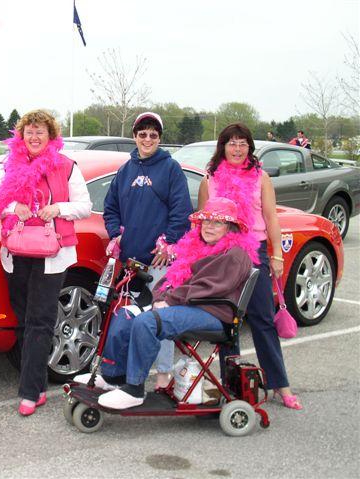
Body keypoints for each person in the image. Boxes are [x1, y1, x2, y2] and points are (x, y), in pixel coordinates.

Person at [92, 197, 258, 409]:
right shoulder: (197, 247)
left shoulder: (235, 255)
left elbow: (210, 288)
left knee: (148, 323)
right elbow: (170, 279)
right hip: (189, 305)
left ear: (231, 227)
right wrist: (161, 298)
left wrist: (169, 301)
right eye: (206, 221)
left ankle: (134, 389)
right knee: (125, 315)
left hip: (213, 312)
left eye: (217, 222)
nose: (209, 226)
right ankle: (114, 378)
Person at [0, 110, 92, 416]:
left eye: (40, 132)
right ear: (22, 137)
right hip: (15, 252)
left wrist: (58, 208)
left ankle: (30, 391)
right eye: (29, 132)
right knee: (23, 318)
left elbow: (85, 207)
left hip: (53, 255)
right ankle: (37, 384)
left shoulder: (66, 166)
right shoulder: (11, 165)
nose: (34, 138)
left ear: (51, 137)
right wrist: (13, 207)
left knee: (40, 321)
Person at [198, 123, 303, 410]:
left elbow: (271, 218)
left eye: (243, 143)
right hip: (222, 253)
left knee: (263, 319)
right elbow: (201, 222)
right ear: (223, 147)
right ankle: (231, 384)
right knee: (227, 319)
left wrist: (277, 256)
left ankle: (280, 383)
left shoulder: (261, 178)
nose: (237, 148)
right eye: (232, 143)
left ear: (250, 148)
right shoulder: (211, 179)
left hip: (255, 251)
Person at [102, 112, 193, 389]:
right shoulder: (125, 170)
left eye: (153, 134)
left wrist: (169, 241)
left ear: (160, 139)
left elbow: (182, 211)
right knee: (129, 317)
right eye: (142, 134)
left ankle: (164, 373)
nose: (148, 139)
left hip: (161, 261)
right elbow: (111, 208)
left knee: (160, 316)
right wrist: (116, 233)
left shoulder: (171, 168)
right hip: (132, 261)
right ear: (135, 137)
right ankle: (124, 373)